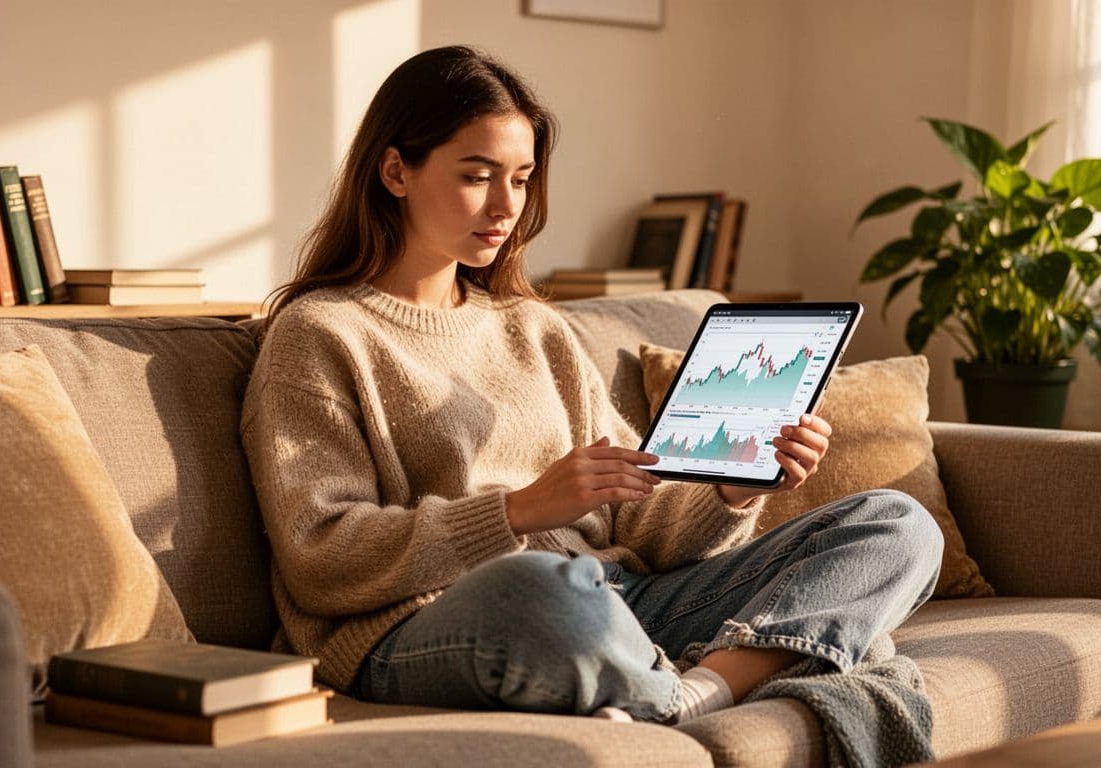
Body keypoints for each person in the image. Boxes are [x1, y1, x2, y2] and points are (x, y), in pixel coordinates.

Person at [241, 45, 942, 724]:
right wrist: (516, 511)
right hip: (445, 616)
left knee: (897, 525)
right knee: (542, 589)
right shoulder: (319, 333)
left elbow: (637, 514)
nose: (505, 207)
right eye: (477, 175)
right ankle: (761, 663)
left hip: (620, 598)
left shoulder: (533, 329)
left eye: (520, 179)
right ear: (395, 171)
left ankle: (696, 691)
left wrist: (732, 487)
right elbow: (319, 558)